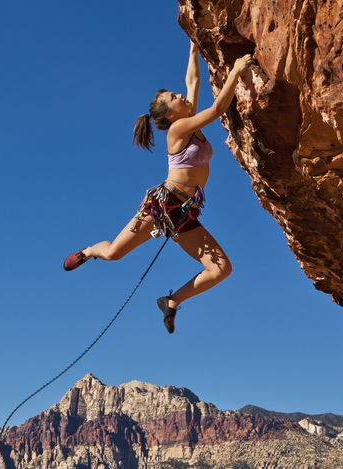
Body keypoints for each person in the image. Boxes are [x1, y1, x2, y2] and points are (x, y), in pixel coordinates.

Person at [63, 40, 254, 334]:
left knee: (221, 270)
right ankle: (89, 251)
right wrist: (237, 71)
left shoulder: (187, 120)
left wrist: (193, 48)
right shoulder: (179, 129)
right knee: (113, 253)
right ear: (169, 116)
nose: (181, 94)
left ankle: (172, 301)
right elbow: (217, 108)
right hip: (163, 204)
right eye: (174, 97)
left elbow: (192, 80)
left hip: (184, 214)